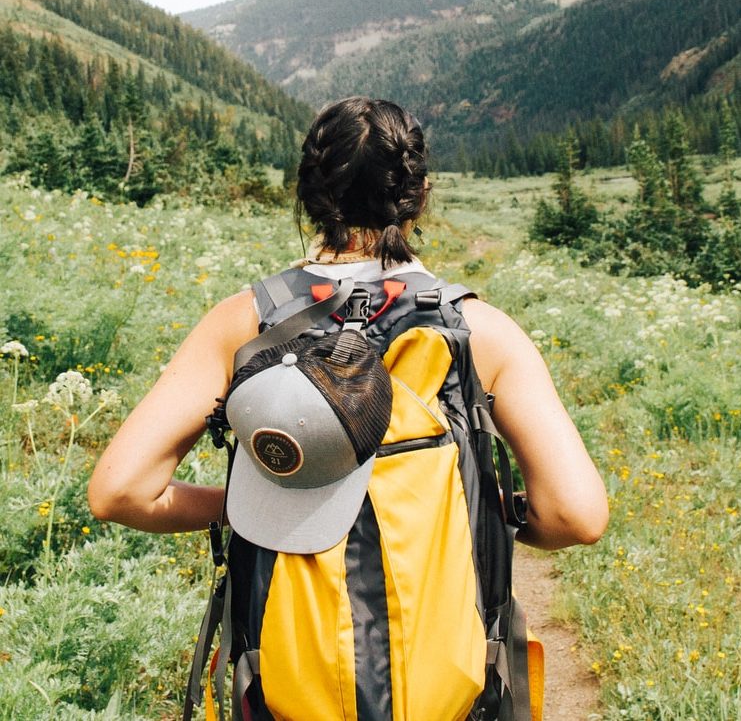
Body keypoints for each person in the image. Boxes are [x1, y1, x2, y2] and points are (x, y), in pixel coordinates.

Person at [88, 95, 608, 550]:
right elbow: (575, 516)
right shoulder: (480, 329)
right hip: (444, 658)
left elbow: (121, 492)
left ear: (307, 196)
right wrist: (477, 511)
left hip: (281, 656)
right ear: (420, 195)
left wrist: (247, 509)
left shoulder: (243, 321)